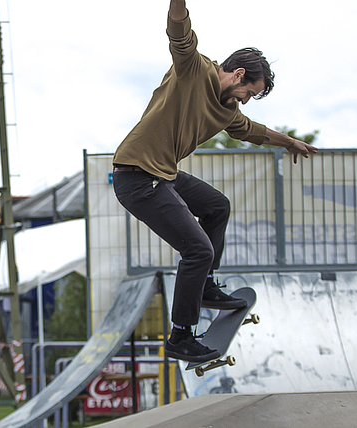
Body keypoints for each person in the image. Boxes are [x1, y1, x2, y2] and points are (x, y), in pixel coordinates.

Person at [112, 0, 317, 362]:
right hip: (137, 176)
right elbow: (178, 28)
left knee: (216, 206)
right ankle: (181, 336)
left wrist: (288, 141)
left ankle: (205, 284)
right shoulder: (195, 69)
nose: (246, 101)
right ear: (237, 74)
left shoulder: (228, 111)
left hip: (164, 175)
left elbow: (253, 131)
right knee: (197, 250)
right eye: (249, 92)